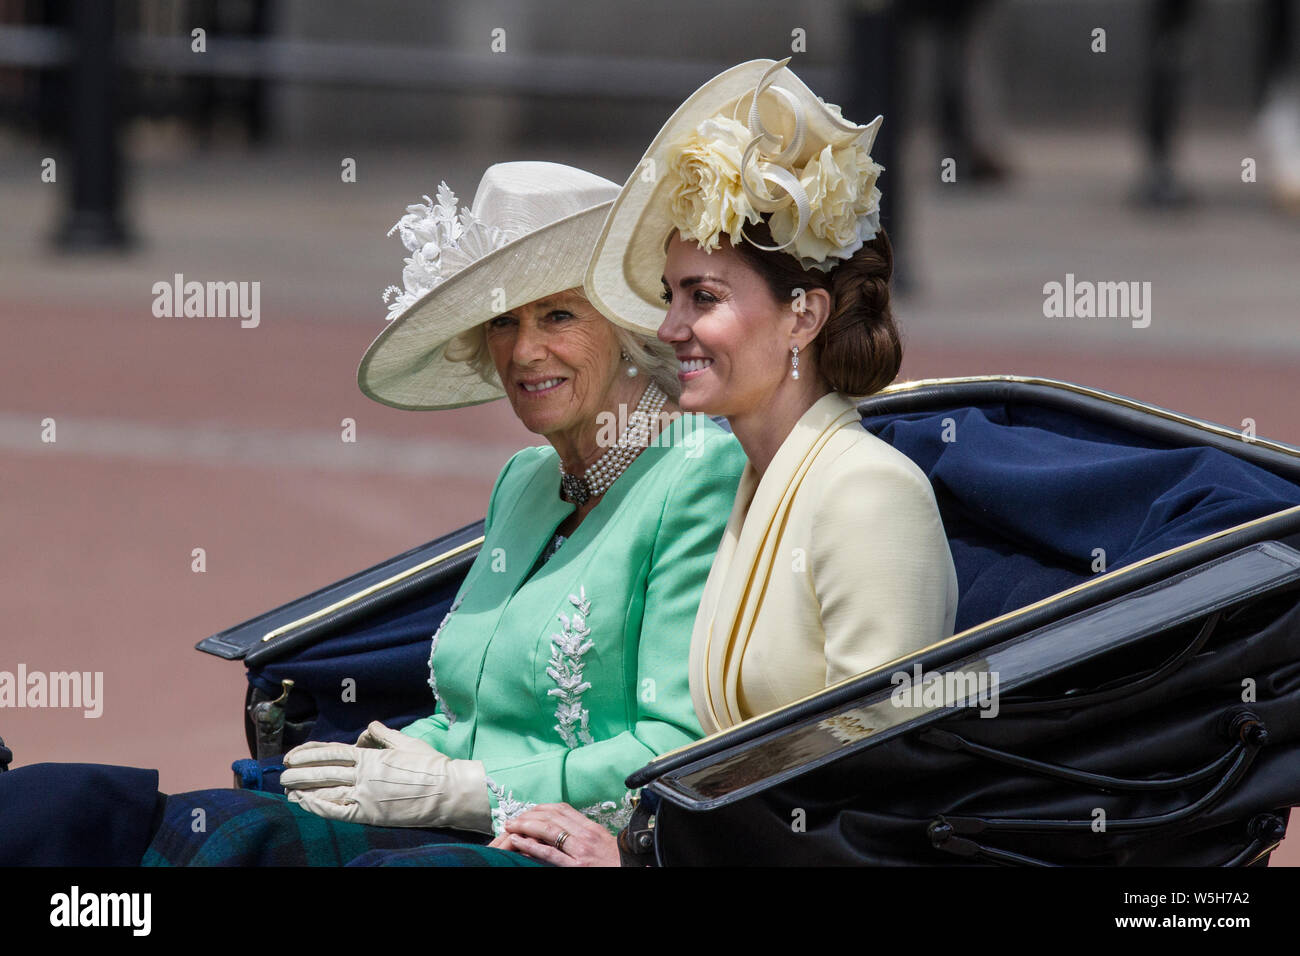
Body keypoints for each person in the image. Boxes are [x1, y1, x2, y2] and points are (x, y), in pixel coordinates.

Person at [0, 162, 746, 866]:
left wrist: (461, 790)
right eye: (502, 322)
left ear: (627, 326)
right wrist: (382, 758)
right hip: (448, 823)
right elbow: (474, 713)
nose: (525, 352)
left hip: (566, 844)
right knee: (82, 807)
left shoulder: (697, 472)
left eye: (557, 315)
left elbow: (676, 747)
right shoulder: (527, 479)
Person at [492, 59, 959, 865]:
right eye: (673, 296)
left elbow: (875, 805)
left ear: (802, 317)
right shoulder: (756, 479)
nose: (670, 328)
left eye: (702, 298)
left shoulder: (869, 495)